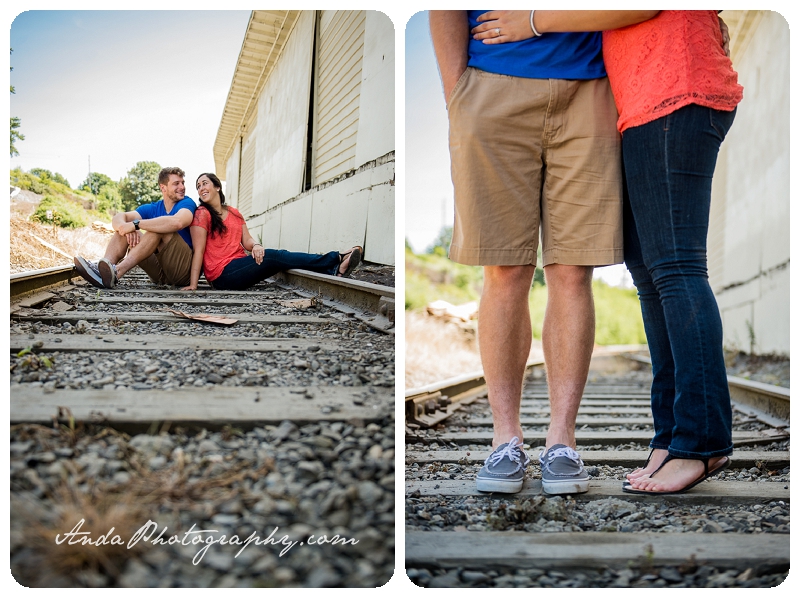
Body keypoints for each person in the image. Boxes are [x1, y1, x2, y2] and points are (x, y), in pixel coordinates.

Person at [474, 10, 743, 494]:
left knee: (677, 269)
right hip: (643, 100)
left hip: (674, 90)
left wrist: (534, 22)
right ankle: (671, 438)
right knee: (650, 273)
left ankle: (702, 442)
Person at [429, 10, 657, 495]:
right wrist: (459, 94)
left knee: (574, 270)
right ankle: (505, 437)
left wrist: (534, 20)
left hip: (592, 90)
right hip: (490, 87)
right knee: (505, 269)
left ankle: (561, 440)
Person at [181, 173, 362, 291]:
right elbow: (199, 250)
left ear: (217, 187)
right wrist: (194, 284)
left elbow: (247, 240)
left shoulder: (235, 213)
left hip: (239, 265)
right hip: (221, 275)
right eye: (198, 186)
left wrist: (257, 246)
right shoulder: (202, 214)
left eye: (205, 183)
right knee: (275, 257)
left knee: (277, 259)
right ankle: (336, 258)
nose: (201, 188)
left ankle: (333, 269)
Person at [73, 166, 197, 289]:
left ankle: (117, 272)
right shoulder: (153, 207)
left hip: (182, 273)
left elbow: (178, 222)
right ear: (163, 187)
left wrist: (135, 225)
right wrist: (125, 228)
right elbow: (119, 217)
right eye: (176, 184)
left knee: (157, 229)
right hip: (159, 274)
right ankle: (105, 268)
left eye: (182, 183)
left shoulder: (187, 203)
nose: (182, 187)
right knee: (124, 230)